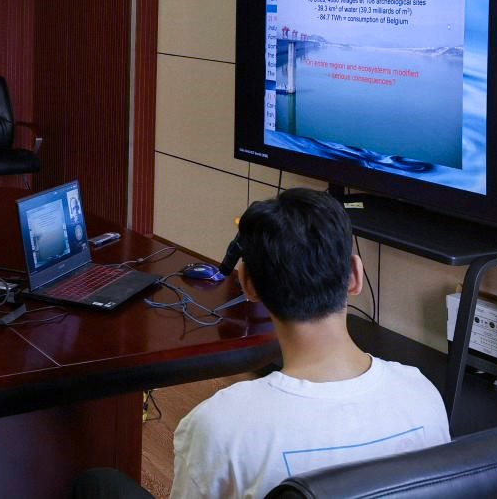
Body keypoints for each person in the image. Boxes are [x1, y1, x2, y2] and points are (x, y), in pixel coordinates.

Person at [72, 188, 449, 499]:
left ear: (248, 284)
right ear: (354, 276)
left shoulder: (221, 425)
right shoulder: (423, 397)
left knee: (98, 484)